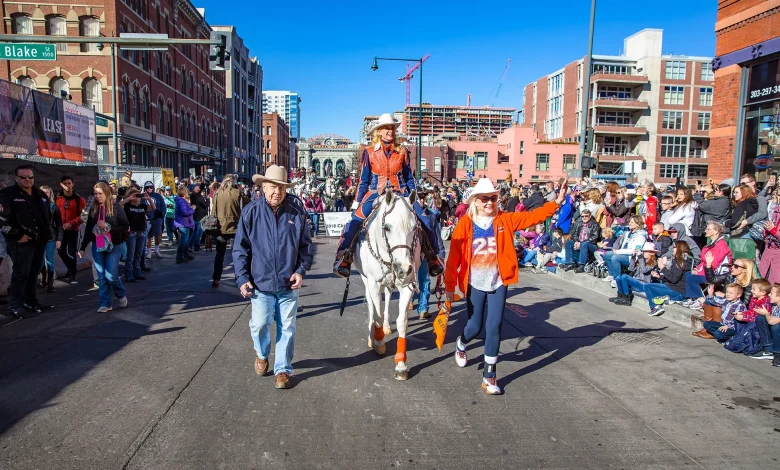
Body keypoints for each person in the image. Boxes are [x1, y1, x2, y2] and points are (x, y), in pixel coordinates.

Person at [445, 178, 567, 395]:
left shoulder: (504, 220)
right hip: (475, 282)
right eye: (485, 199)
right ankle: (462, 343)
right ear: (475, 200)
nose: (490, 203)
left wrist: (555, 202)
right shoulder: (465, 223)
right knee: (474, 328)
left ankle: (489, 375)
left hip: (499, 281)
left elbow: (532, 217)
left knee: (494, 327)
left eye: (493, 198)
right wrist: (449, 285)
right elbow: (454, 256)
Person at [333, 113, 443, 278]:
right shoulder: (369, 152)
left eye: (392, 127)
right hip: (375, 192)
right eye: (386, 128)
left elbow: (409, 178)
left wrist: (414, 197)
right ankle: (344, 258)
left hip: (402, 192)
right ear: (378, 131)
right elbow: (363, 181)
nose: (390, 130)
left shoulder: (402, 151)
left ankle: (433, 258)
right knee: (355, 221)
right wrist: (357, 203)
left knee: (425, 220)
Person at [233, 165, 312, 390]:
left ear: (286, 189)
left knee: (287, 327)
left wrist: (301, 270)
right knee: (260, 325)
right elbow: (240, 249)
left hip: (288, 283)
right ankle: (261, 353)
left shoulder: (297, 212)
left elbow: (306, 246)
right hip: (261, 283)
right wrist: (242, 277)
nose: (276, 191)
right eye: (272, 187)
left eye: (281, 187)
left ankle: (282, 370)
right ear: (263, 187)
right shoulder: (251, 211)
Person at [0, 165, 53, 318]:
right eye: (24, 177)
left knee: (34, 272)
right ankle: (15, 305)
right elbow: (2, 221)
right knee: (21, 273)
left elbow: (47, 215)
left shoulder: (40, 193)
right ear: (16, 178)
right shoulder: (7, 194)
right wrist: (17, 235)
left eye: (30, 177)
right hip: (20, 242)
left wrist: (48, 232)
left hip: (39, 240)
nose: (28, 180)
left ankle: (30, 301)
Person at [79, 181, 129, 313]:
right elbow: (89, 229)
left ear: (106, 193)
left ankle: (120, 294)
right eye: (95, 193)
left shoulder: (116, 208)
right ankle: (105, 303)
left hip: (114, 245)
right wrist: (83, 247)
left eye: (100, 193)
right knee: (101, 276)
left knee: (111, 274)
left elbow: (125, 226)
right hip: (98, 245)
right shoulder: (93, 209)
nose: (97, 196)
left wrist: (108, 229)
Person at [212, 174, 249, 287]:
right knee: (237, 254)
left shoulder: (218, 193)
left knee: (219, 254)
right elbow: (246, 206)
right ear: (234, 182)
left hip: (221, 227)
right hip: (235, 227)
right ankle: (240, 278)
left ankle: (216, 278)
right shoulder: (237, 193)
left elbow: (214, 211)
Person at [643, 241, 693, 316]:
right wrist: (659, 276)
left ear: (680, 249)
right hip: (672, 287)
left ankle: (657, 305)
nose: (673, 249)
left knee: (649, 288)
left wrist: (663, 267)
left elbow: (673, 279)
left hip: (679, 292)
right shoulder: (678, 260)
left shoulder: (682, 262)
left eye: (674, 247)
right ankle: (657, 305)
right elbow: (672, 276)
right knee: (647, 286)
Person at [54, 175, 86, 284]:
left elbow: (84, 216)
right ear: (61, 185)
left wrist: (71, 223)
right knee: (60, 251)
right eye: (65, 183)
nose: (67, 186)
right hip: (59, 230)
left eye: (69, 183)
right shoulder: (56, 198)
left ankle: (72, 275)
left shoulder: (79, 199)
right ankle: (70, 268)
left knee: (72, 252)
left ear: (73, 184)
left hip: (73, 229)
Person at [603, 215, 647, 286]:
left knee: (615, 258)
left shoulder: (641, 236)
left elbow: (634, 250)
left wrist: (618, 252)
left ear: (638, 224)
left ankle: (617, 279)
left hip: (631, 257)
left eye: (632, 222)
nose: (630, 223)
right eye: (629, 222)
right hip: (622, 253)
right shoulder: (627, 233)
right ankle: (611, 274)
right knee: (607, 254)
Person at [121, 187, 154, 282]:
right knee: (130, 255)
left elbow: (153, 208)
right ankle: (129, 274)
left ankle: (137, 272)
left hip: (141, 232)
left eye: (139, 195)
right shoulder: (127, 206)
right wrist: (128, 198)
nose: (138, 197)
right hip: (131, 233)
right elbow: (118, 206)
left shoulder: (142, 206)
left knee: (139, 254)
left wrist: (149, 199)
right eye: (136, 195)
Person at [38, 186, 63, 293]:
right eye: (43, 192)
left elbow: (59, 224)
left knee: (50, 259)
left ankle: (50, 283)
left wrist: (59, 239)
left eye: (47, 192)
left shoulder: (54, 207)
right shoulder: (36, 205)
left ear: (50, 194)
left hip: (51, 236)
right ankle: (43, 277)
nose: (45, 194)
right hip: (38, 237)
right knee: (39, 260)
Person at [753, 283, 780, 366]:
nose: (769, 295)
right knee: (760, 318)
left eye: (771, 293)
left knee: (776, 326)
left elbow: (772, 322)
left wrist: (767, 314)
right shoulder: (775, 306)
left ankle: (777, 353)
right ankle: (768, 349)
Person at [143, 181, 166, 259]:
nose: (149, 189)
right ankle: (149, 252)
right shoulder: (142, 197)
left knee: (158, 234)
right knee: (149, 236)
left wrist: (161, 215)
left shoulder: (158, 196)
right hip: (147, 219)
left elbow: (163, 206)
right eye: (147, 187)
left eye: (151, 187)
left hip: (157, 218)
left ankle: (156, 249)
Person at [173, 186, 195, 264]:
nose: (188, 193)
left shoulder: (182, 201)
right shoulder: (181, 201)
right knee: (183, 241)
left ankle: (185, 254)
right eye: (186, 191)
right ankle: (179, 257)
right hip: (183, 223)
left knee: (185, 241)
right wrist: (192, 209)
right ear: (184, 193)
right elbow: (184, 212)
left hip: (184, 223)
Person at [189, 184, 208, 253]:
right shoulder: (198, 197)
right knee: (198, 233)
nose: (198, 187)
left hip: (195, 215)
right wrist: (207, 200)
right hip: (200, 216)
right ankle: (196, 247)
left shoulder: (192, 196)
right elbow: (205, 205)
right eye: (197, 187)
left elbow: (201, 187)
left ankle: (190, 246)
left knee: (194, 233)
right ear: (194, 189)